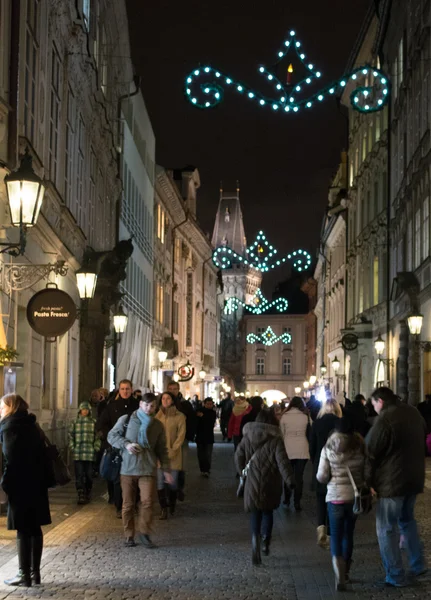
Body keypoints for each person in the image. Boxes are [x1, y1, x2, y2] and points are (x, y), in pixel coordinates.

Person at [367, 387, 427, 587]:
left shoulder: (385, 419)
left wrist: (367, 482)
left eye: (374, 404)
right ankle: (419, 566)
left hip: (393, 482)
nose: (374, 408)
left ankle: (395, 574)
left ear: (380, 401)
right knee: (407, 521)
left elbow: (371, 450)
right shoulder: (413, 412)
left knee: (386, 528)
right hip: (414, 478)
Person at [107, 393, 172, 548]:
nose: (149, 409)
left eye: (152, 406)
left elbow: (162, 449)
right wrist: (126, 444)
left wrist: (166, 469)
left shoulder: (157, 425)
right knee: (128, 504)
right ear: (140, 404)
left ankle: (144, 533)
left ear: (156, 407)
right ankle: (129, 535)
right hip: (128, 469)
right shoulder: (126, 420)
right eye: (146, 405)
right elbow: (111, 436)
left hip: (148, 469)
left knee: (148, 502)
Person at [0, 394, 52, 587]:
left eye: (2, 407)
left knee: (23, 529)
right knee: (35, 527)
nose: (0, 411)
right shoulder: (32, 425)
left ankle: (24, 574)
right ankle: (35, 573)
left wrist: (5, 484)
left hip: (20, 484)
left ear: (11, 407)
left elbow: (10, 459)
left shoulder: (10, 426)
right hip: (37, 483)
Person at [235, 409, 294, 565]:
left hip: (252, 481)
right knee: (268, 512)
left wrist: (242, 472)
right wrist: (290, 480)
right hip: (270, 481)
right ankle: (265, 540)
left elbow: (238, 455)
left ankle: (255, 538)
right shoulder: (276, 440)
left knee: (255, 512)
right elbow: (283, 462)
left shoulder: (247, 438)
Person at [317, 416, 367, 591]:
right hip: (354, 497)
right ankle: (346, 572)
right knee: (349, 534)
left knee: (336, 535)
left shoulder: (328, 447)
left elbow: (322, 476)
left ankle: (339, 573)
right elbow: (366, 470)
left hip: (335, 498)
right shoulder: (360, 446)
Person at [97, 379, 139, 517]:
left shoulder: (138, 405)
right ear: (119, 390)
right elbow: (102, 424)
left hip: (134, 447)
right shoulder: (111, 406)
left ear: (131, 389)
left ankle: (133, 504)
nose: (125, 391)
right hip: (117, 447)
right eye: (122, 389)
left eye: (127, 389)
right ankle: (119, 506)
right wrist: (109, 439)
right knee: (117, 478)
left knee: (134, 477)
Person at [309, 398, 342, 548]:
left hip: (320, 463)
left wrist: (314, 460)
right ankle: (331, 533)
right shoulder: (339, 423)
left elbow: (312, 446)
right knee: (333, 499)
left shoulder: (317, 423)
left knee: (320, 498)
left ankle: (321, 528)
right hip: (336, 464)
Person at [155, 392, 186, 519]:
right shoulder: (157, 416)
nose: (165, 400)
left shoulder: (179, 416)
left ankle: (172, 504)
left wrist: (174, 449)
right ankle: (163, 508)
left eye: (168, 398)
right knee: (160, 483)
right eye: (163, 398)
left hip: (174, 455)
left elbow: (181, 435)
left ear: (172, 400)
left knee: (172, 483)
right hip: (160, 455)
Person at [167, 381, 196, 501]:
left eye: (175, 389)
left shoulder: (185, 405)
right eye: (170, 389)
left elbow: (191, 421)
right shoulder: (164, 403)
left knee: (181, 465)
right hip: (167, 441)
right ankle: (169, 490)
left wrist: (189, 436)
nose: (173, 391)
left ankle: (179, 488)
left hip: (182, 440)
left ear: (178, 390)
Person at [279, 396, 310, 511]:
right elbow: (309, 431)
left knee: (288, 475)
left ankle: (286, 499)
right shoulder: (305, 416)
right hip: (302, 448)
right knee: (299, 477)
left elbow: (281, 434)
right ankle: (297, 502)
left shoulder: (284, 417)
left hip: (288, 448)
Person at [68, 400, 101, 505]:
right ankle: (81, 493)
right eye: (83, 409)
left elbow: (97, 436)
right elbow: (71, 436)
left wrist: (96, 447)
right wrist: (72, 447)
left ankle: (87, 490)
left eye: (86, 409)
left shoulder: (93, 423)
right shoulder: (75, 423)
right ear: (80, 410)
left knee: (88, 474)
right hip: (78, 453)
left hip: (89, 453)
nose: (85, 411)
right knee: (79, 474)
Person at [195, 398, 217, 476]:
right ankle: (202, 469)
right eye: (207, 404)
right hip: (200, 436)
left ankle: (207, 470)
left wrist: (203, 416)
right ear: (204, 404)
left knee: (208, 454)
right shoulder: (199, 411)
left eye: (210, 404)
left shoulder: (213, 412)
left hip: (209, 436)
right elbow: (196, 422)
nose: (209, 405)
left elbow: (211, 422)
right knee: (200, 454)